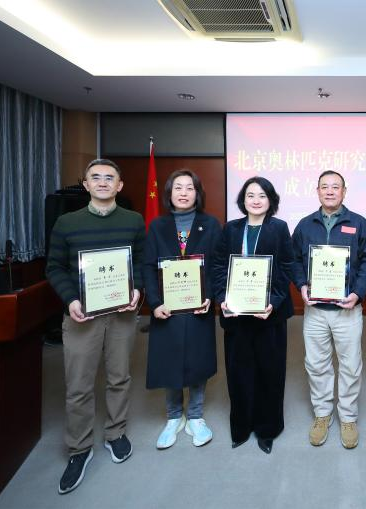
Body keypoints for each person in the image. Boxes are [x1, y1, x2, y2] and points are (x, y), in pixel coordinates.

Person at [46, 159, 144, 494]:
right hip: (81, 316)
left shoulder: (133, 220)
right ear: (86, 184)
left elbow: (141, 261)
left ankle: (115, 433)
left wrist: (137, 290)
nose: (102, 182)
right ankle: (80, 448)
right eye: (95, 177)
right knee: (78, 385)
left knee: (119, 377)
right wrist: (71, 299)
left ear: (119, 185)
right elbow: (54, 267)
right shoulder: (66, 222)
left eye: (109, 178)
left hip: (121, 315)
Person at [291, 170, 366, 449]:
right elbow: (293, 260)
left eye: (335, 187)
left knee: (350, 366)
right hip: (316, 310)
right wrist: (301, 285)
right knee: (316, 364)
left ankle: (348, 417)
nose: (330, 191)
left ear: (344, 191)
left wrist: (358, 292)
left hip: (347, 310)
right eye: (324, 187)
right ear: (317, 191)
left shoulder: (359, 223)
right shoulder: (305, 225)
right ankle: (322, 413)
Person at [212, 176, 293, 455]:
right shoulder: (231, 229)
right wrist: (222, 297)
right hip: (236, 314)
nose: (256, 200)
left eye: (262, 195)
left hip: (269, 315)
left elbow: (286, 266)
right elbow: (219, 265)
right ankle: (241, 427)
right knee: (239, 372)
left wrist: (273, 301)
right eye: (250, 195)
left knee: (270, 372)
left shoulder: (279, 228)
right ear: (242, 200)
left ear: (271, 200)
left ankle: (268, 429)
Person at [142, 170, 220, 450]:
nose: (184, 193)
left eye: (190, 188)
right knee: (170, 358)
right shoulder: (157, 226)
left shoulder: (210, 224)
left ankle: (195, 415)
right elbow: (148, 266)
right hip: (168, 307)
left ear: (197, 193)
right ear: (169, 193)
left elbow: (217, 265)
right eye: (178, 187)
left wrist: (210, 297)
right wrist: (154, 303)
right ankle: (174, 416)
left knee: (198, 359)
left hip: (199, 306)